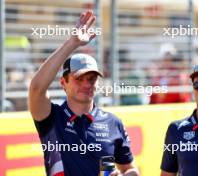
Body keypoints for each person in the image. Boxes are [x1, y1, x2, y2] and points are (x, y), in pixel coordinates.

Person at [28, 10, 139, 176]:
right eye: (79, 79)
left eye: (92, 78)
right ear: (63, 83)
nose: (87, 84)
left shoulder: (112, 122)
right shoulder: (52, 118)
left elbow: (130, 169)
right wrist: (72, 43)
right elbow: (36, 88)